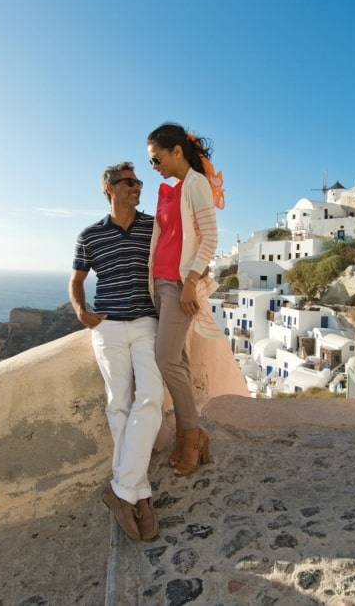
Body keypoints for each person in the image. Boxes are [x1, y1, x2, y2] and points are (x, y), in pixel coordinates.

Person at [70, 161, 163, 542]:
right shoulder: (90, 235)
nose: (137, 187)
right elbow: (76, 279)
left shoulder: (154, 226)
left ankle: (122, 489)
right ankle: (137, 492)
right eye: (129, 182)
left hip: (145, 322)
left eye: (139, 182)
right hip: (107, 326)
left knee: (152, 396)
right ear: (109, 188)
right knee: (118, 404)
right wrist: (80, 311)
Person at [146, 122, 226, 477]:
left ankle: (191, 437)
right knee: (177, 358)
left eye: (157, 158)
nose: (154, 166)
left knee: (165, 360)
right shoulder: (171, 189)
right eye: (150, 161)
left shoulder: (196, 185)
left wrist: (192, 280)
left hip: (180, 287)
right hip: (160, 285)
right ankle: (188, 437)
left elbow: (210, 238)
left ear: (177, 151)